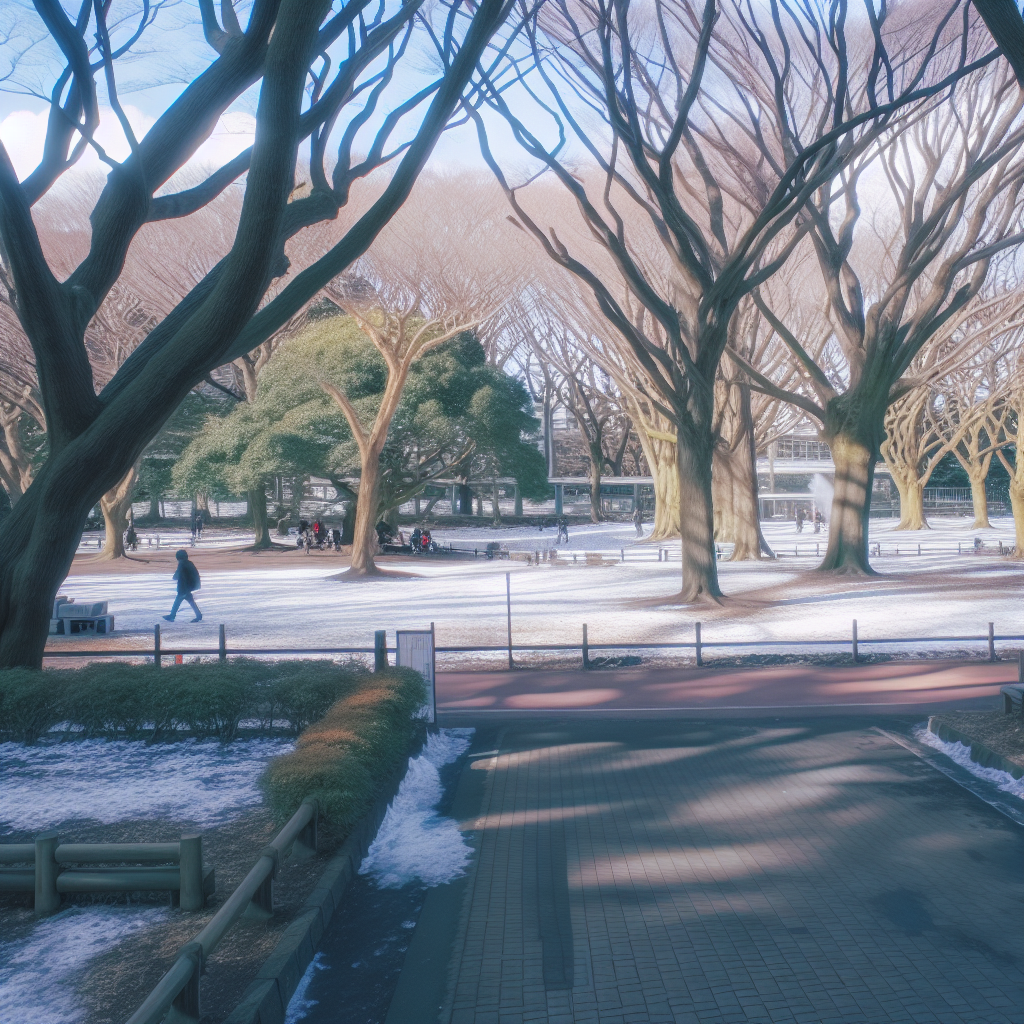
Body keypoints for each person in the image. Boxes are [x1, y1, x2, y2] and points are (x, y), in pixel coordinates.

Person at [164, 549, 202, 622]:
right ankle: (198, 615)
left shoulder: (182, 564)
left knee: (178, 601)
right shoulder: (189, 563)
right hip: (188, 587)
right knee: (190, 601)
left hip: (184, 587)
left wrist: (175, 577)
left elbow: (178, 575)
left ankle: (172, 616)